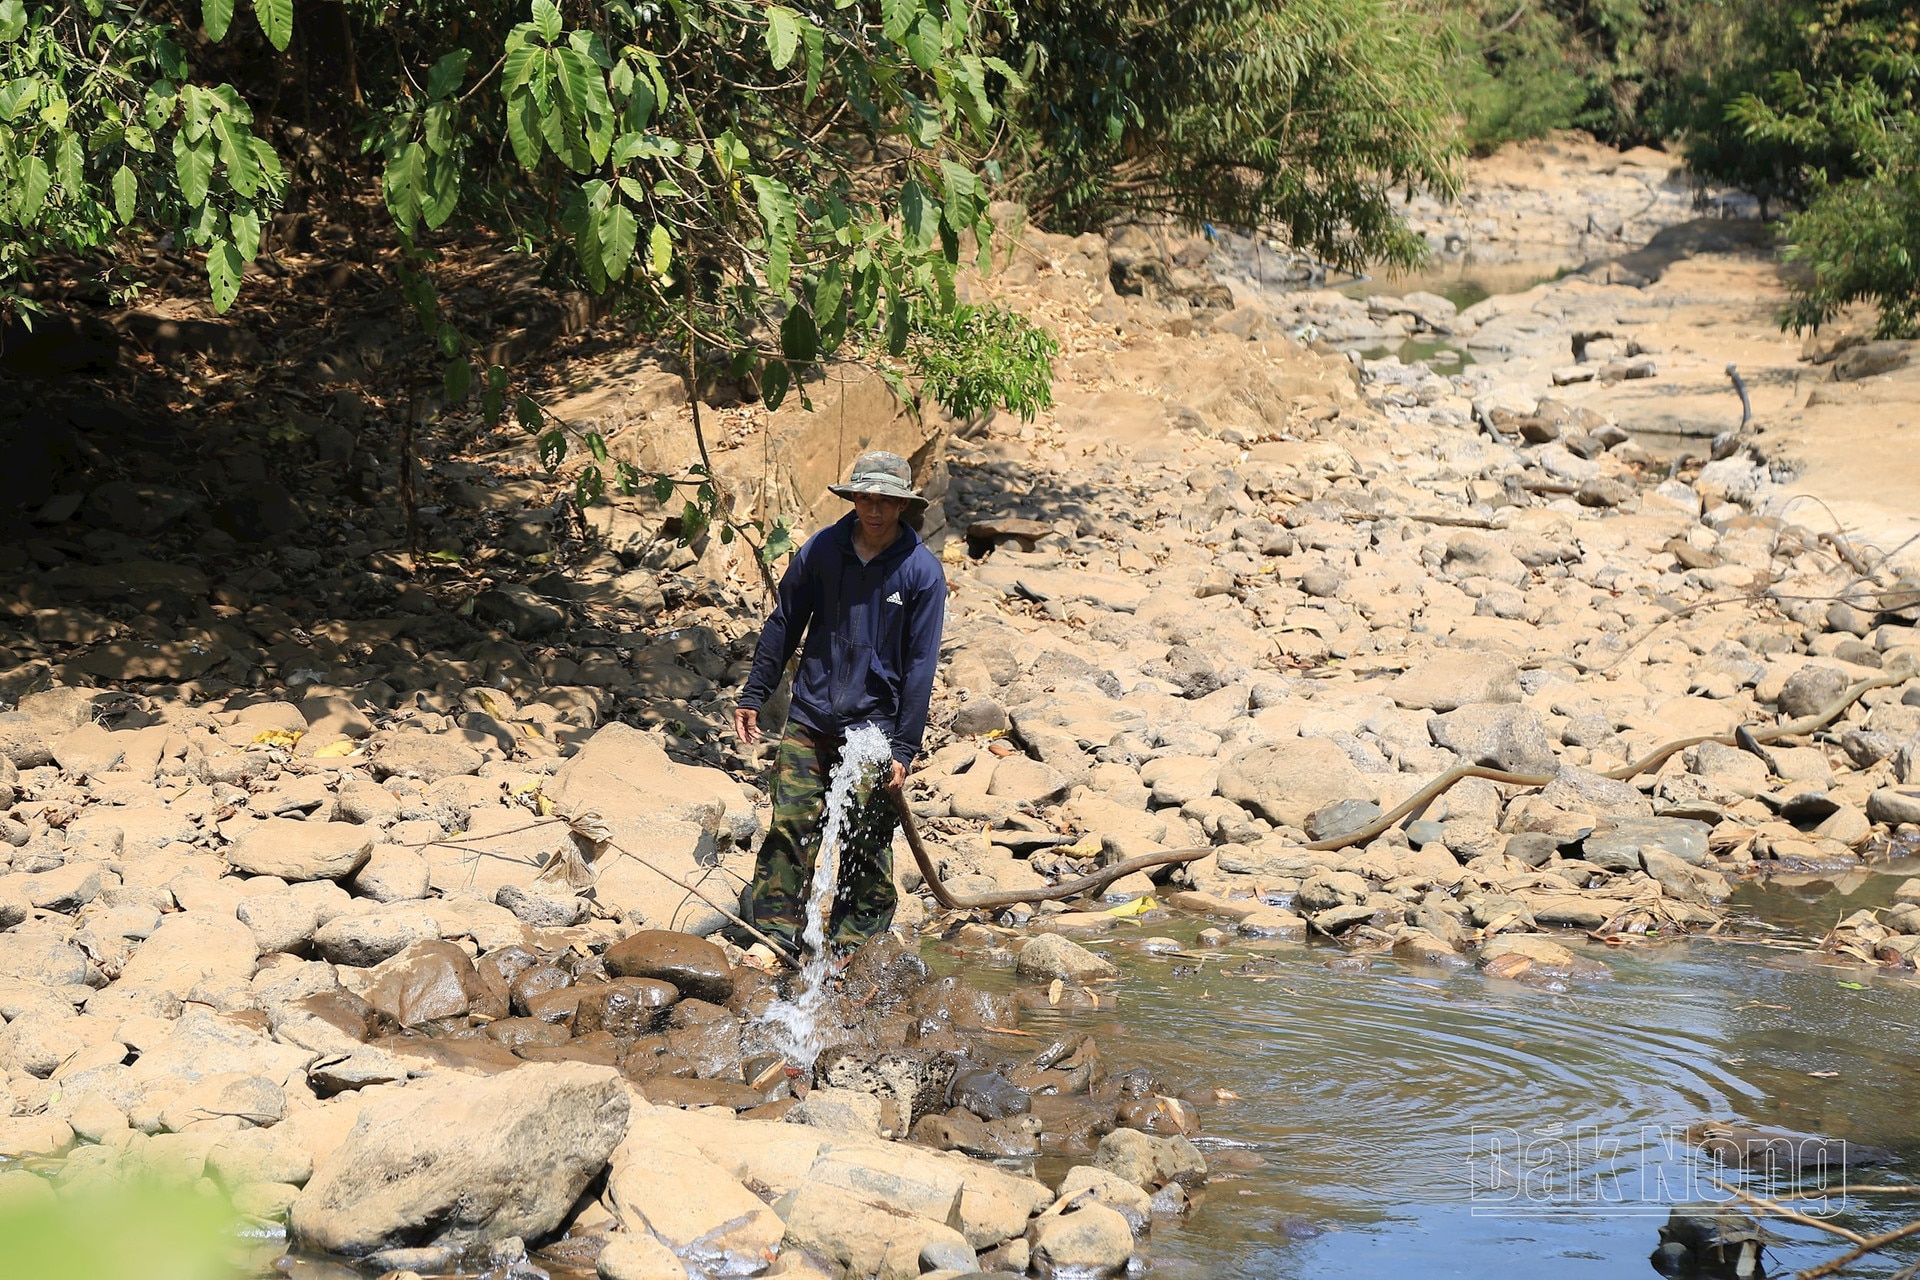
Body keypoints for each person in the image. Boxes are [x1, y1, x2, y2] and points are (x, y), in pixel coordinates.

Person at [733, 451, 947, 952]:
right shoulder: (823, 551)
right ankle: (774, 932)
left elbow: (921, 665)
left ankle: (855, 945)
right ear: (853, 498)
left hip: (874, 731)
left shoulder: (921, 573)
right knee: (790, 826)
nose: (873, 511)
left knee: (866, 843)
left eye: (885, 502)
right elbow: (785, 622)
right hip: (810, 715)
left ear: (902, 506)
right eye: (865, 498)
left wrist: (904, 749)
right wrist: (755, 694)